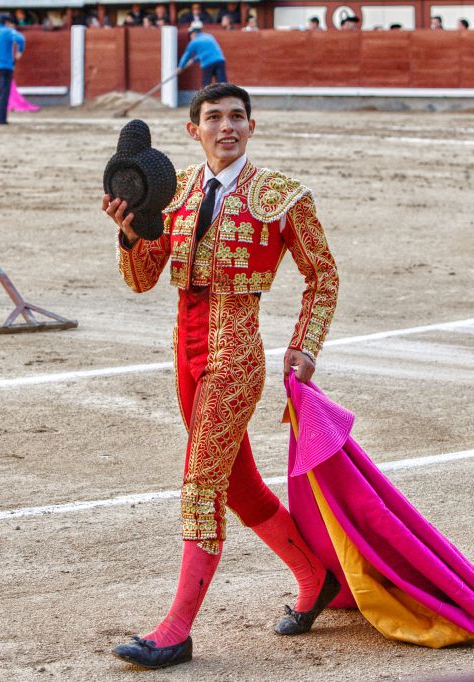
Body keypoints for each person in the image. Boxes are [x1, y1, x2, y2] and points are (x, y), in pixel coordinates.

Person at [102, 81, 339, 671]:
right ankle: (316, 578)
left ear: (251, 127)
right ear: (194, 130)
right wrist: (131, 232)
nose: (227, 126)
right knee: (239, 488)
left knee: (200, 485)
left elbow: (323, 276)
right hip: (183, 351)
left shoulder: (282, 196)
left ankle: (176, 630)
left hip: (235, 352)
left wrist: (304, 347)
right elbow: (142, 279)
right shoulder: (173, 190)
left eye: (238, 117)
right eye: (214, 117)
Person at [0, 13, 26, 125]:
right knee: (4, 92)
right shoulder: (8, 31)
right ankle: (1, 119)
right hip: (6, 66)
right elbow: (21, 39)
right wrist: (19, 52)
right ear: (7, 23)